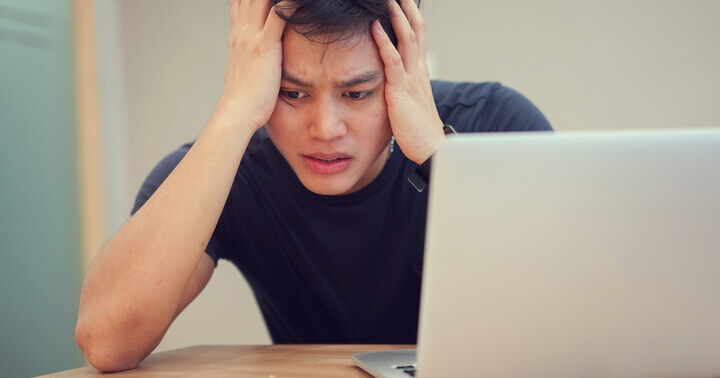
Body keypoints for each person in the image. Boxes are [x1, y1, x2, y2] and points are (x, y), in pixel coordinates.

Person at [75, 0, 552, 372]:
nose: (325, 129)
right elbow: (106, 339)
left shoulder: (498, 124)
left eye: (357, 93)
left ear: (404, 66)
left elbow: (564, 321)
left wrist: (435, 153)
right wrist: (233, 113)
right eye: (292, 93)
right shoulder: (229, 170)